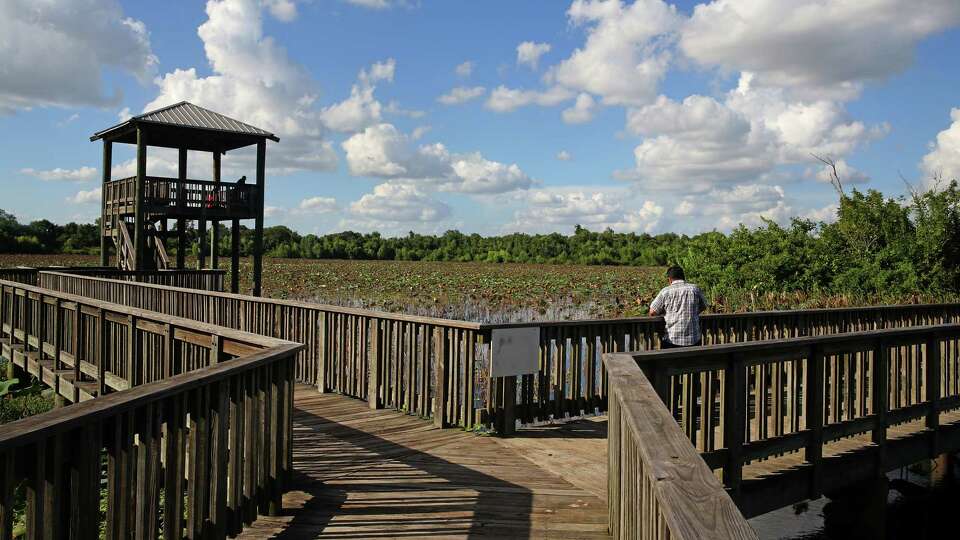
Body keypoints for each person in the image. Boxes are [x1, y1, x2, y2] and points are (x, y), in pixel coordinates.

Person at [648, 266, 708, 348]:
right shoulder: (695, 289)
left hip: (671, 340)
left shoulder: (665, 291)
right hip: (694, 341)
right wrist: (692, 312)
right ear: (683, 277)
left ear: (669, 279)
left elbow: (652, 312)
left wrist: (665, 313)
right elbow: (704, 306)